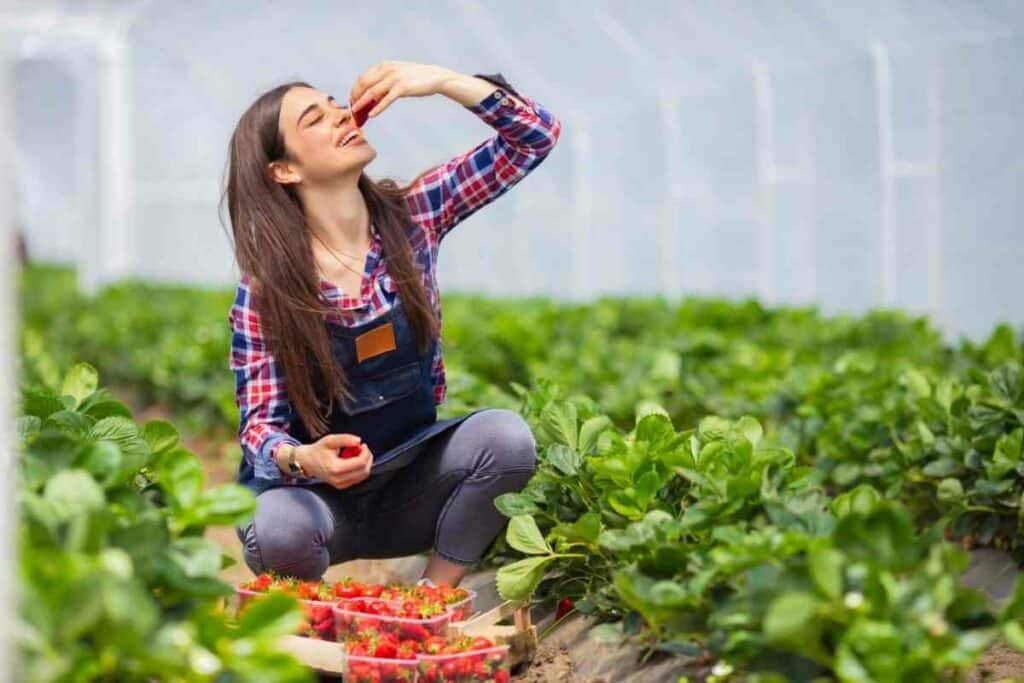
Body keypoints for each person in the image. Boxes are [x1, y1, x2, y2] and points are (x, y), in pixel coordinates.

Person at [223, 61, 562, 586]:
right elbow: (258, 429)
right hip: (318, 505)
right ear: (283, 170)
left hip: (410, 488)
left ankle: (431, 597)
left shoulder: (416, 215)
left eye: (336, 103)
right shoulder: (266, 291)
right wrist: (306, 459)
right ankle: (310, 617)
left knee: (506, 439)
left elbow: (535, 137)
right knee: (276, 529)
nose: (339, 114)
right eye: (315, 118)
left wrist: (441, 82)